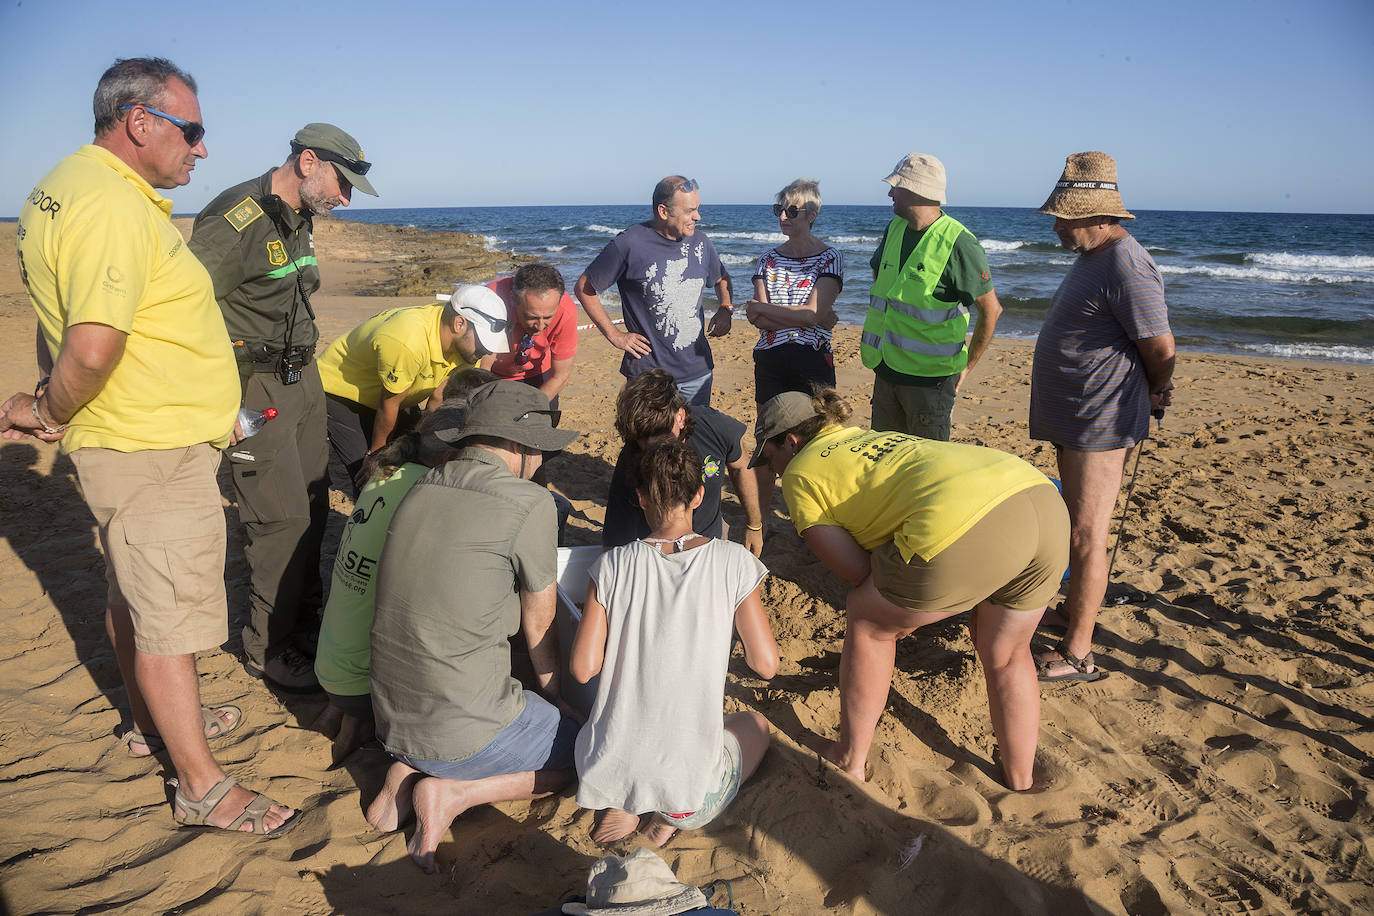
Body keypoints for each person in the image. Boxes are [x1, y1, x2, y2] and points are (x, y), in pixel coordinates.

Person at [0, 58, 298, 834]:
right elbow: (91, 347)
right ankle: (201, 786)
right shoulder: (111, 208)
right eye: (191, 131)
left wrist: (62, 401)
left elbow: (60, 316)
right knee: (167, 614)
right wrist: (45, 404)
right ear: (140, 121)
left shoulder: (61, 189)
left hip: (128, 436)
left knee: (132, 592)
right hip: (150, 446)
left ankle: (148, 724)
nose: (201, 150)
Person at [751, 389, 1069, 791]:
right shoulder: (861, 436)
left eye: (771, 457)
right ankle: (1021, 778)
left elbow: (857, 570)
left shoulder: (800, 472)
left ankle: (850, 758)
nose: (774, 470)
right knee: (1007, 652)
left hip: (964, 520)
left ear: (792, 443)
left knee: (868, 619)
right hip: (1037, 496)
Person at [363, 381, 582, 874]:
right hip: (458, 730)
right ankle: (454, 793)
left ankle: (404, 772)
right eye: (540, 452)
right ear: (522, 447)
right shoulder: (529, 502)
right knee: (580, 751)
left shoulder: (423, 483)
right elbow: (540, 618)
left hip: (390, 717)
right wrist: (556, 697)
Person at [188, 123, 378, 691]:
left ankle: (304, 626)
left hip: (303, 379)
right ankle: (267, 647)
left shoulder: (299, 218)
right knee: (279, 520)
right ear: (308, 161)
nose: (344, 199)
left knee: (316, 505)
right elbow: (187, 303)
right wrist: (220, 395)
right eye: (342, 184)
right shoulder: (239, 216)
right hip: (256, 387)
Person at [570, 438, 778, 846]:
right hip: (688, 791)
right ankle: (670, 818)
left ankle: (624, 801)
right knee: (754, 725)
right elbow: (765, 664)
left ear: (642, 497)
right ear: (699, 495)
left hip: (606, 770)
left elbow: (582, 668)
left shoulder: (611, 565)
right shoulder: (733, 561)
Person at [1029, 151, 1175, 682]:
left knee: (1088, 534)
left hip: (1102, 420)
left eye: (1062, 217)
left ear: (1095, 215)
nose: (1056, 226)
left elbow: (1159, 347)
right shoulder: (1094, 258)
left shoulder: (1125, 262)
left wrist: (1157, 391)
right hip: (1079, 416)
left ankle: (1078, 653)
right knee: (1072, 525)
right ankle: (1074, 614)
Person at [313, 389, 480, 767]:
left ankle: (338, 710)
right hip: (362, 683)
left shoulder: (388, 469)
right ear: (452, 456)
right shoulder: (429, 494)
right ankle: (358, 723)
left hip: (331, 663)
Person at [317, 284, 511, 493]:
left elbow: (437, 399)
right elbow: (388, 403)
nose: (487, 351)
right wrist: (375, 455)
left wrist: (425, 444)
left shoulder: (467, 349)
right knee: (370, 476)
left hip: (399, 393)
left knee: (416, 458)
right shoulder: (408, 340)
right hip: (343, 393)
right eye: (483, 344)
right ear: (459, 323)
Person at [863, 154, 1003, 440]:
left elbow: (991, 310)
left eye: (896, 186)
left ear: (916, 192)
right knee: (885, 461)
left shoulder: (959, 243)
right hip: (886, 371)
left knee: (925, 470)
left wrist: (967, 367)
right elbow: (883, 280)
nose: (890, 192)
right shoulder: (894, 229)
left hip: (930, 385)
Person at [575, 175, 734, 407]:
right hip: (649, 377)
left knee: (693, 442)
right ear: (663, 211)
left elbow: (721, 277)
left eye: (698, 209)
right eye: (690, 211)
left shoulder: (701, 242)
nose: (697, 217)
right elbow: (584, 288)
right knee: (649, 443)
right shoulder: (629, 244)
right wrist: (615, 335)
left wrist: (725, 308)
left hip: (697, 373)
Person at [744, 177, 844, 518]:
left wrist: (808, 315)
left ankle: (819, 515)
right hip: (770, 359)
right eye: (779, 210)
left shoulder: (830, 258)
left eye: (791, 210)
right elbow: (761, 320)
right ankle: (761, 519)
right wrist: (809, 317)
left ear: (812, 214)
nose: (783, 217)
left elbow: (809, 312)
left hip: (811, 359)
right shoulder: (767, 260)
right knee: (768, 441)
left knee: (819, 437)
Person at [603, 369, 764, 556]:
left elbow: (740, 468)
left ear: (680, 417)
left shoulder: (714, 427)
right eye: (642, 436)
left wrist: (754, 525)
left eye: (659, 433)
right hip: (655, 553)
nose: (650, 444)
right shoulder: (631, 456)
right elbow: (614, 541)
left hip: (709, 542)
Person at [484, 264, 578, 406]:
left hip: (538, 371)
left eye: (547, 317)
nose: (540, 326)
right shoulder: (489, 302)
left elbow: (560, 376)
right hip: (493, 374)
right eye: (531, 317)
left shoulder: (566, 311)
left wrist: (528, 410)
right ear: (512, 299)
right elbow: (480, 369)